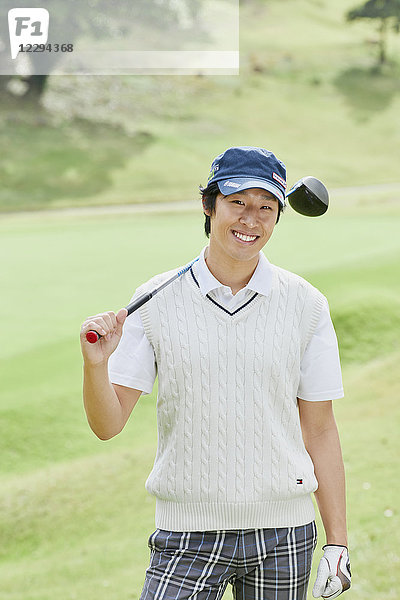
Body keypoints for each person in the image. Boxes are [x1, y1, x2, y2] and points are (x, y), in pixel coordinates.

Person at [80, 146, 351, 600]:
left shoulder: (306, 304)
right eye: (237, 203)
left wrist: (338, 542)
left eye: (266, 207)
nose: (251, 220)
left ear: (279, 217)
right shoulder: (155, 299)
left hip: (284, 536)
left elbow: (319, 428)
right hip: (187, 536)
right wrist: (96, 367)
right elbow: (107, 425)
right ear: (209, 206)